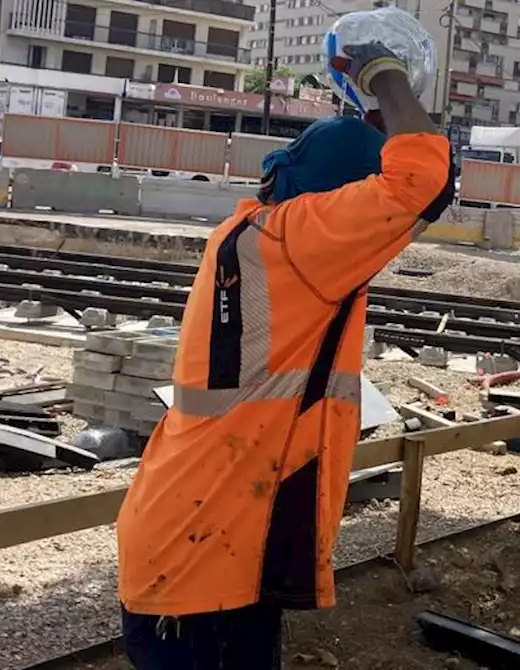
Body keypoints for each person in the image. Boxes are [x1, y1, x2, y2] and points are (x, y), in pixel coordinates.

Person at [115, 41, 453, 669]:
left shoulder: (257, 232)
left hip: (208, 530)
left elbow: (418, 186)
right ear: (342, 197)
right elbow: (425, 181)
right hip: (204, 559)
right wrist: (385, 77)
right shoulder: (302, 239)